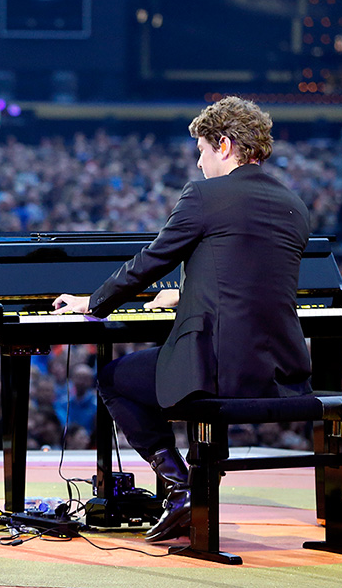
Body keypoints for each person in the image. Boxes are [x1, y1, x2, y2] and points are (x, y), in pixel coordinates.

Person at [53, 96, 312, 542]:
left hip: (219, 369)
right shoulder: (293, 205)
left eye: (202, 151)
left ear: (225, 145)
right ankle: (192, 490)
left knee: (114, 378)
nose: (199, 161)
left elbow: (150, 261)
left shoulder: (205, 196)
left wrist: (93, 303)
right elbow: (247, 278)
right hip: (278, 369)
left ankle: (180, 488)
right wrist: (189, 293)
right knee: (176, 364)